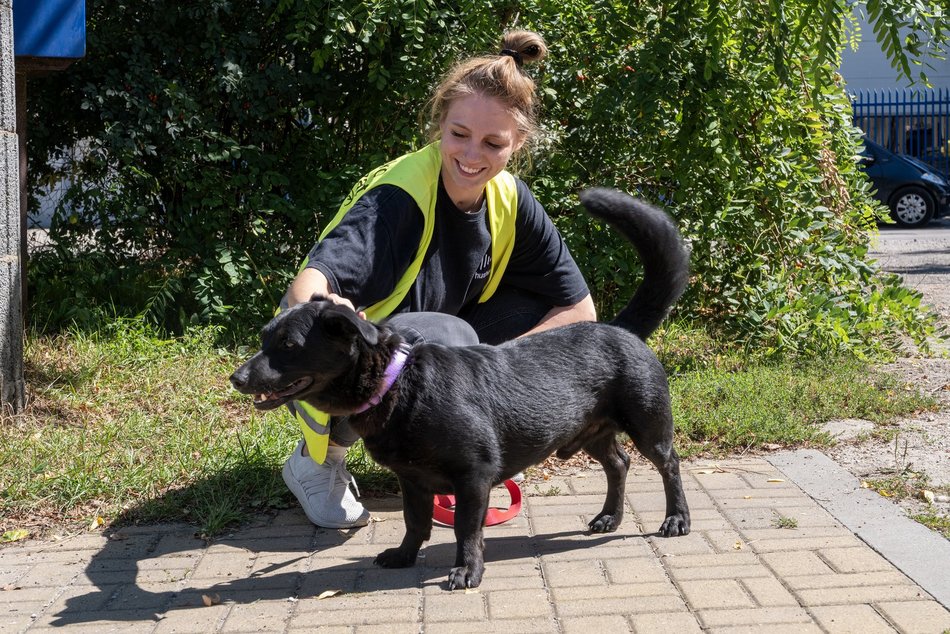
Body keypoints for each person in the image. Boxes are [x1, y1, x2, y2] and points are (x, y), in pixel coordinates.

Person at [279, 30, 597, 528]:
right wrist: (326, 309)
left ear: (517, 144)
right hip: (335, 358)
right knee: (451, 336)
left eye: (493, 143)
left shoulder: (511, 198)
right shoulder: (398, 197)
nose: (472, 154)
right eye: (459, 134)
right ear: (439, 125)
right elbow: (307, 285)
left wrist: (505, 377)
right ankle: (318, 462)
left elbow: (579, 312)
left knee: (532, 313)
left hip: (424, 351)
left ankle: (450, 440)